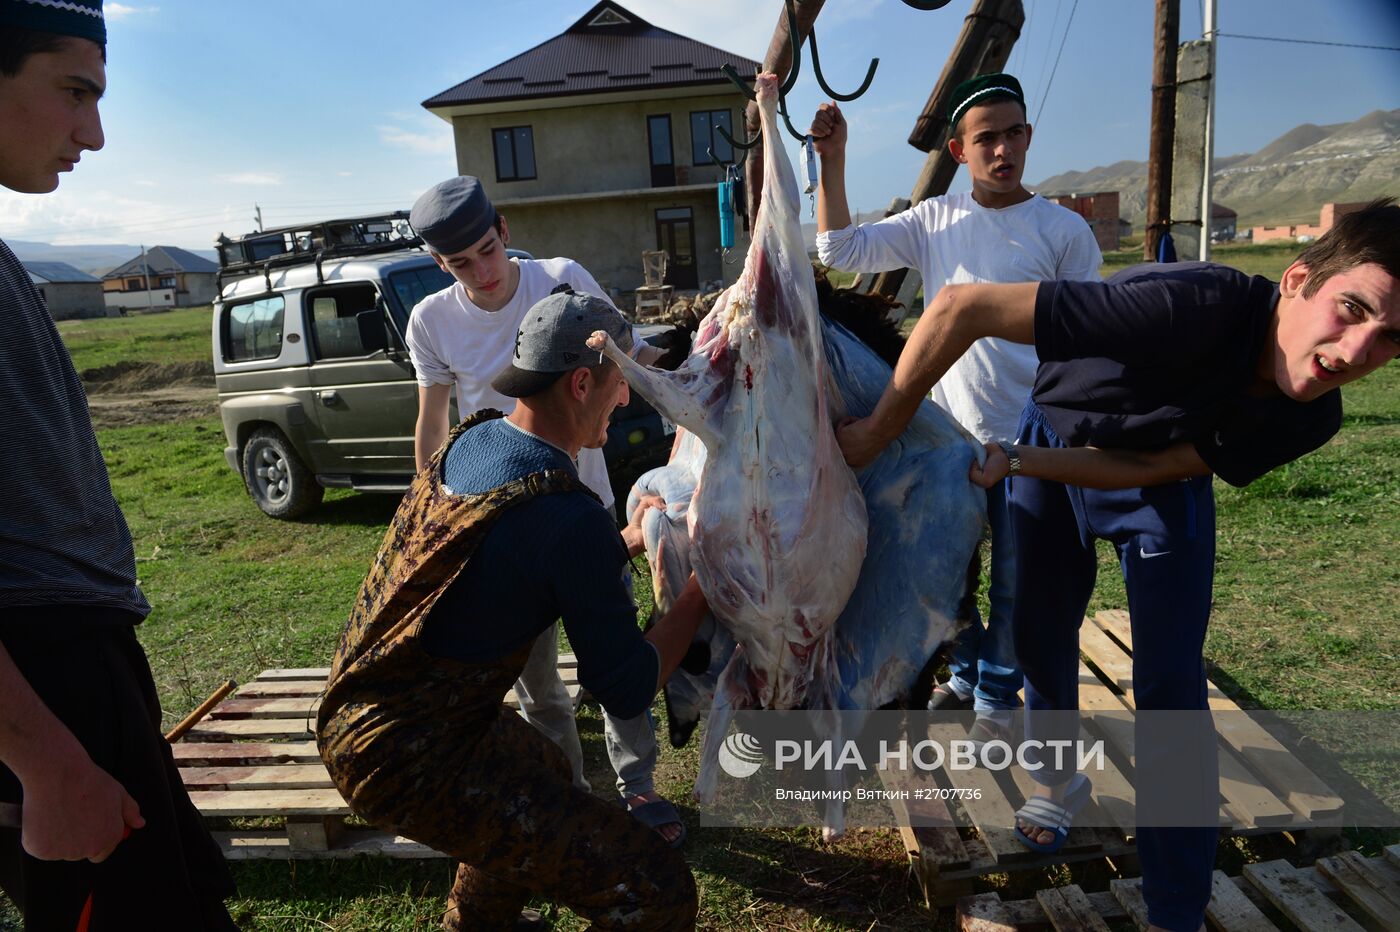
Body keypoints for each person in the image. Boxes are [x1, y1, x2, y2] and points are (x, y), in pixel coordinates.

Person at [837, 199, 1400, 932]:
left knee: (1170, 687)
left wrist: (1025, 463)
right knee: (1039, 635)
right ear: (1296, 281)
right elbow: (958, 306)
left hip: (1159, 483)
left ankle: (1176, 910)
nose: (1356, 352)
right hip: (1054, 432)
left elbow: (1160, 462)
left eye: (1390, 339)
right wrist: (884, 431)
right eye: (1350, 310)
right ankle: (1059, 779)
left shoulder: (1310, 414)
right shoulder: (1182, 306)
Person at [317, 288, 709, 930]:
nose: (628, 397)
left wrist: (624, 542)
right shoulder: (567, 514)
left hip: (364, 714)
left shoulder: (471, 446)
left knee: (542, 770)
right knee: (658, 891)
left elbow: (520, 560)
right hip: (405, 758)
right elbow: (628, 685)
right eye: (622, 382)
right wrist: (701, 590)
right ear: (583, 383)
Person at [0, 3, 237, 928]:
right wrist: (46, 763)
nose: (92, 135)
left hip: (77, 668)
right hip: (43, 677)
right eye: (73, 93)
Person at [810, 73, 1101, 743]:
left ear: (1029, 138)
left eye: (1014, 134)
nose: (1003, 150)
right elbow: (839, 250)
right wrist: (833, 161)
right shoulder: (934, 220)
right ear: (958, 150)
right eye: (986, 138)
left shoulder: (1063, 232)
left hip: (1026, 439)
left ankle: (998, 702)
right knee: (947, 572)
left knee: (1015, 577)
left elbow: (1090, 340)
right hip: (945, 444)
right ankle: (968, 674)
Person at [405, 176, 685, 845]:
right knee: (538, 684)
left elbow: (637, 359)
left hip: (585, 509)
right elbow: (431, 421)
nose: (482, 272)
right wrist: (430, 514)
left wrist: (709, 360)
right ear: (441, 266)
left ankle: (637, 782)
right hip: (506, 532)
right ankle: (571, 795)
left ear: (502, 230)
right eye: (460, 264)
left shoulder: (562, 280)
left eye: (485, 250)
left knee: (611, 653)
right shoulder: (432, 321)